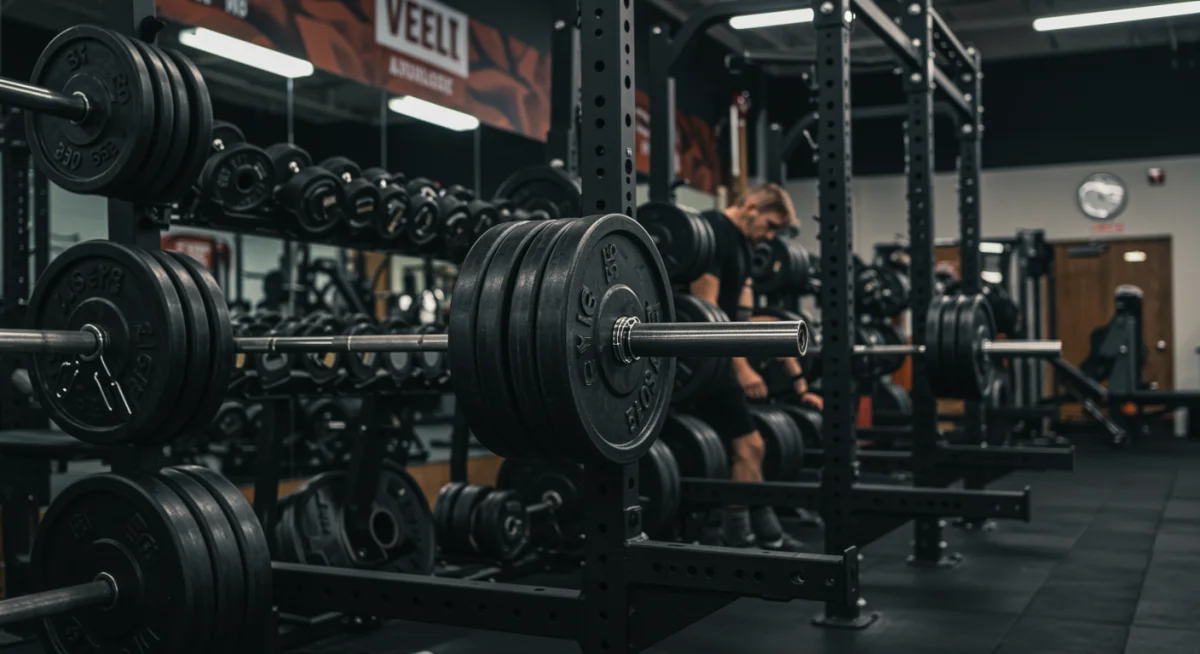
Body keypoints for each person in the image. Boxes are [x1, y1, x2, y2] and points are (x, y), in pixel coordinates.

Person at [685, 183, 816, 552]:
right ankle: (742, 539)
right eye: (770, 226)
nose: (770, 237)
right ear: (752, 206)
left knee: (752, 446)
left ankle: (759, 534)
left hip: (720, 352)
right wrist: (742, 368)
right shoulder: (713, 230)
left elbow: (740, 314)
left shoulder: (743, 244)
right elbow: (706, 311)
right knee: (749, 445)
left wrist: (791, 365)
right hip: (702, 356)